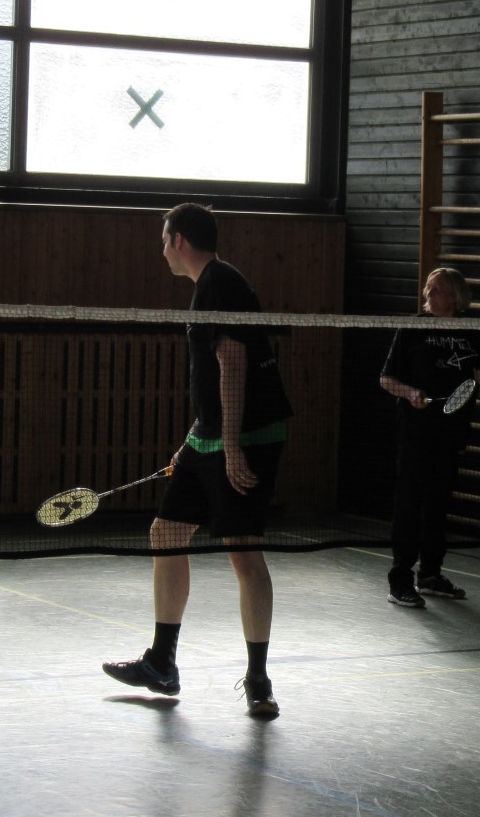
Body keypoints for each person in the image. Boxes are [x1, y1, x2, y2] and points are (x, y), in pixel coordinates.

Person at [103, 203, 292, 719]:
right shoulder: (210, 283)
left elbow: (233, 363)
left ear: (179, 240)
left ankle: (259, 680)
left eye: (164, 239)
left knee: (243, 554)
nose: (162, 249)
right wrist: (193, 440)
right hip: (213, 435)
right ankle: (161, 662)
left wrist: (229, 445)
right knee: (166, 532)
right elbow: (213, 382)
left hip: (249, 435)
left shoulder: (219, 283)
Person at [378, 267, 480, 607]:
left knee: (438, 504)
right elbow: (386, 378)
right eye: (428, 288)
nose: (429, 293)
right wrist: (410, 393)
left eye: (438, 288)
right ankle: (400, 580)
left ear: (456, 296)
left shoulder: (473, 332)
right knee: (409, 504)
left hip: (453, 432)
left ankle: (430, 574)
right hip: (415, 432)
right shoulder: (413, 327)